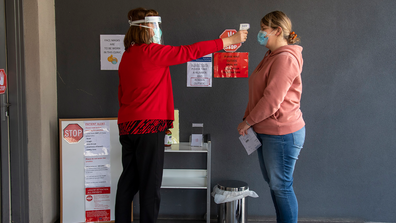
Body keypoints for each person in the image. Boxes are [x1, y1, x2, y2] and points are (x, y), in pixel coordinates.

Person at [115, 7, 247, 223]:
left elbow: (121, 93)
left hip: (127, 126)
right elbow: (190, 51)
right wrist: (226, 41)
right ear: (146, 28)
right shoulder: (151, 53)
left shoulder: (127, 56)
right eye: (153, 26)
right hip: (148, 127)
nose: (155, 31)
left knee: (128, 182)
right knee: (150, 187)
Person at [237, 11, 305, 223]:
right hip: (266, 131)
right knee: (275, 185)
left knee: (281, 186)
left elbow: (271, 100)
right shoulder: (271, 56)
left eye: (264, 29)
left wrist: (248, 121)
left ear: (277, 31)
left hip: (281, 133)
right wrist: (250, 121)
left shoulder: (285, 58)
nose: (260, 33)